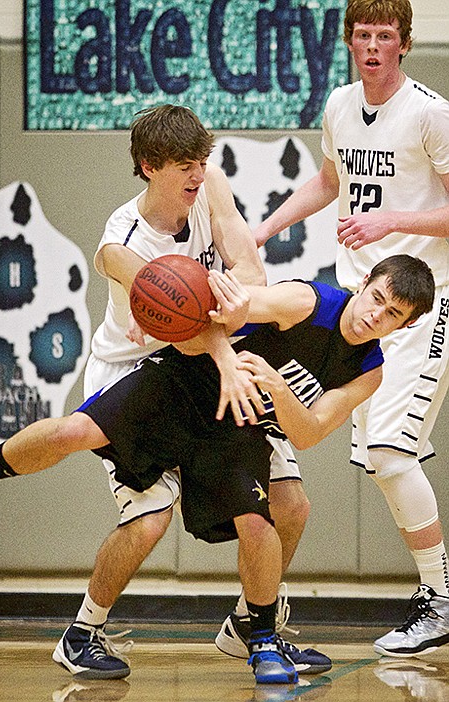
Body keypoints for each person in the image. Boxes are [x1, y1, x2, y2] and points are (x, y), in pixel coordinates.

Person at [0, 254, 435, 684]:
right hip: (182, 381)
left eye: (393, 314)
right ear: (364, 284)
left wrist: (277, 388)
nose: (377, 315)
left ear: (406, 324)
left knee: (262, 522)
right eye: (377, 297)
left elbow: (309, 431)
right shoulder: (305, 301)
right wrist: (218, 318)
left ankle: (259, 639)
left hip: (238, 423)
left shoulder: (369, 370)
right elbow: (212, 316)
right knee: (72, 434)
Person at [25, 103, 324, 678]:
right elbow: (133, 282)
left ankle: (252, 627)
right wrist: (204, 314)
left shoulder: (210, 185)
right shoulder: (124, 237)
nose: (197, 172)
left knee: (290, 503)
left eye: (201, 159)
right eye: (184, 164)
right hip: (137, 373)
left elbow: (253, 274)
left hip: (208, 364)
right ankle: (82, 632)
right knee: (150, 517)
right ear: (148, 166)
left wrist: (231, 300)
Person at [254, 0, 449, 658]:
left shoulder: (430, 111)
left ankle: (441, 597)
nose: (372, 45)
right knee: (382, 460)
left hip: (421, 304)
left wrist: (392, 220)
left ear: (403, 43)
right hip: (355, 307)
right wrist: (263, 229)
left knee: (391, 452)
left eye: (384, 36)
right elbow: (328, 182)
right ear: (348, 41)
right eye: (362, 34)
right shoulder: (339, 105)